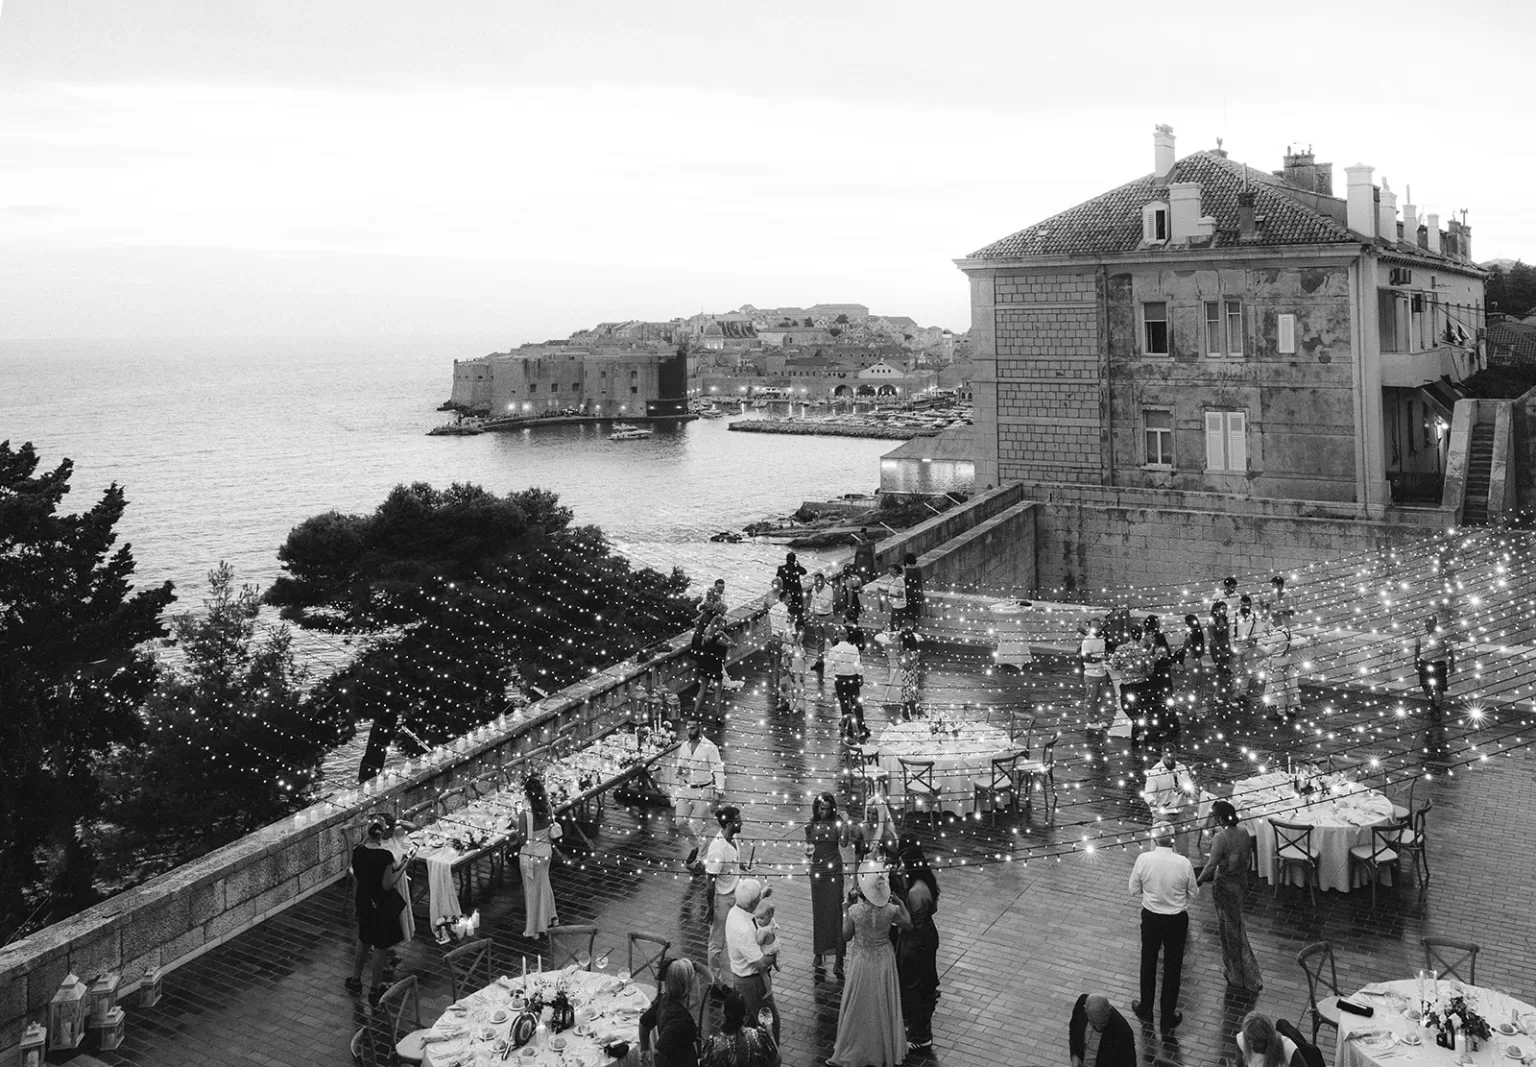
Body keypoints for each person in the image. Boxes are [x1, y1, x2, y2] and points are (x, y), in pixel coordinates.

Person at [828, 860, 911, 1067]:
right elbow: (908, 925)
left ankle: (853, 1045)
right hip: (884, 959)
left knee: (858, 1002)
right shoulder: (890, 910)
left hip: (862, 961)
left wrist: (846, 909)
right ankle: (883, 1048)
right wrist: (901, 903)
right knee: (883, 1001)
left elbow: (846, 936)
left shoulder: (856, 911)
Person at [1129, 823, 1197, 1032]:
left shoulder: (1144, 859)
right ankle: (1168, 1014)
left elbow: (1133, 889)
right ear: (1173, 839)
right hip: (1176, 919)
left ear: (1155, 839)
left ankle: (1146, 1008)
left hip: (1151, 916)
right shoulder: (1183, 863)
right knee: (1172, 967)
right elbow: (1194, 892)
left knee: (1148, 962)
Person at [348, 811, 417, 1000]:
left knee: (363, 939)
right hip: (381, 904)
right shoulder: (384, 857)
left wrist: (356, 903)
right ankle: (375, 988)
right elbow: (387, 884)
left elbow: (357, 880)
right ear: (381, 834)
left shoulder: (358, 852)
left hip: (363, 901)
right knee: (380, 945)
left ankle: (355, 979)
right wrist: (405, 864)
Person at [1197, 800, 1263, 992]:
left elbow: (1211, 865)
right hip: (1240, 884)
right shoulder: (1244, 832)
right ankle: (1239, 970)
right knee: (1236, 925)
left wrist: (1199, 880)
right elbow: (1248, 858)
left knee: (1229, 930)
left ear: (1219, 818)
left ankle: (1237, 974)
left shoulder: (1221, 838)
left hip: (1225, 887)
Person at [896, 835, 940, 1056]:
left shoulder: (914, 892)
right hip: (929, 938)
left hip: (917, 944)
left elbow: (911, 925)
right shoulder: (927, 884)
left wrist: (898, 907)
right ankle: (920, 1029)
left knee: (915, 987)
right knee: (924, 985)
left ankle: (920, 1036)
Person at [724, 878, 779, 1042]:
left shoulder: (735, 911)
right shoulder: (744, 929)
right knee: (770, 1025)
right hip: (752, 982)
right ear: (752, 902)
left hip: (741, 978)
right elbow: (761, 962)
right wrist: (774, 950)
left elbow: (752, 909)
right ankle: (770, 1057)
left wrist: (761, 895)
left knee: (748, 1023)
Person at [804, 792, 850, 978]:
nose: (823, 812)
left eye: (826, 809)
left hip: (833, 872)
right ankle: (819, 952)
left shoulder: (836, 823)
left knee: (836, 913)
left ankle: (839, 958)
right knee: (820, 913)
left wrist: (845, 824)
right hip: (818, 871)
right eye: (820, 809)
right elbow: (808, 848)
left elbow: (845, 843)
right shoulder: (810, 824)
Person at [672, 719, 724, 869]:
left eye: (693, 728)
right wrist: (680, 771)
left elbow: (718, 768)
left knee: (701, 827)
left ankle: (702, 860)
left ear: (700, 727)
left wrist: (718, 791)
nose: (689, 731)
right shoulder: (684, 746)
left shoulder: (710, 747)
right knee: (680, 822)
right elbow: (680, 766)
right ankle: (695, 846)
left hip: (704, 789)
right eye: (688, 728)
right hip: (686, 788)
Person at [704, 806, 747, 981]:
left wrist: (740, 866)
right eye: (738, 820)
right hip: (722, 900)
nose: (741, 822)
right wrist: (710, 907)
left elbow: (730, 863)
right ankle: (715, 981)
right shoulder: (717, 849)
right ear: (729, 824)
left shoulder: (732, 838)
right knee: (717, 943)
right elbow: (710, 880)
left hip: (735, 896)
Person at [519, 774, 561, 937]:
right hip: (546, 853)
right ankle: (552, 916)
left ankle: (535, 927)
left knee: (532, 891)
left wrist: (517, 824)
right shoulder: (548, 806)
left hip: (531, 855)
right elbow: (550, 826)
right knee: (544, 883)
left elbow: (522, 839)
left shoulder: (525, 814)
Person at [639, 958, 700, 1067]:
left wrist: (644, 1050)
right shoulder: (680, 1019)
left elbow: (644, 1023)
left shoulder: (665, 999)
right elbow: (659, 1052)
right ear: (688, 985)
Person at [699, 989, 780, 1067]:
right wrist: (770, 1032)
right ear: (745, 1014)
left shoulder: (714, 1044)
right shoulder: (758, 1037)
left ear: (724, 1014)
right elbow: (776, 1061)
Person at [1142, 744, 1196, 859]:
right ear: (1162, 755)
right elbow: (1147, 794)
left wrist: (1187, 791)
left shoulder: (1182, 768)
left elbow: (1191, 790)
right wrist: (1155, 803)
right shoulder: (1155, 772)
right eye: (1168, 758)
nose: (1171, 761)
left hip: (1180, 817)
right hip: (1162, 818)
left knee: (1184, 854)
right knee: (1157, 855)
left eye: (1173, 758)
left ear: (1176, 754)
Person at [824, 626, 867, 744]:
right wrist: (861, 675)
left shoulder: (833, 650)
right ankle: (861, 726)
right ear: (847, 636)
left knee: (844, 704)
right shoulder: (854, 649)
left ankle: (847, 729)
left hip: (840, 679)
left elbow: (828, 668)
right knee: (856, 703)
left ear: (837, 636)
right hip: (852, 678)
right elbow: (857, 665)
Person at [1069, 994, 1136, 1067]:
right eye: (1094, 1023)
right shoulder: (1081, 1005)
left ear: (1109, 1011)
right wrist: (1075, 1056)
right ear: (1085, 1010)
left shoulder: (1123, 1031)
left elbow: (1129, 1063)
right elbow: (1074, 1031)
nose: (1098, 1028)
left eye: (1103, 1023)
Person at [1260, 609, 1300, 722]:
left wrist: (1260, 644)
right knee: (1288, 687)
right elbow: (1265, 629)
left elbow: (1268, 651)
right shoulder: (1287, 630)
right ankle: (1290, 709)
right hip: (1286, 660)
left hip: (1276, 663)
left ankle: (1281, 712)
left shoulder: (1277, 634)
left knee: (1279, 689)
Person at [691, 616, 734, 718]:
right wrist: (725, 635)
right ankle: (718, 715)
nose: (724, 626)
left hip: (705, 665)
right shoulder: (719, 640)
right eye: (722, 624)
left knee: (702, 689)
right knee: (718, 692)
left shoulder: (706, 635)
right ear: (718, 625)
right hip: (716, 666)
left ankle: (695, 712)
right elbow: (732, 644)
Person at [1414, 614, 1455, 710]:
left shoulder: (1443, 634)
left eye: (1430, 622)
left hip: (1438, 664)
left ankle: (1437, 709)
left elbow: (1449, 649)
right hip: (1424, 663)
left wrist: (1452, 664)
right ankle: (1432, 704)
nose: (1427, 624)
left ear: (1435, 623)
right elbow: (1417, 648)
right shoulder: (1420, 633)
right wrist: (1416, 661)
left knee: (1438, 688)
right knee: (1426, 687)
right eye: (1426, 622)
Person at [1080, 619, 1112, 727]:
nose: (1098, 629)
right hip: (1091, 674)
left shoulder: (1102, 638)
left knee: (1100, 698)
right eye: (1095, 627)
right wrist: (1101, 658)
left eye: (1099, 627)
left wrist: (1106, 658)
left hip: (1102, 673)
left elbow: (1102, 653)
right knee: (1091, 698)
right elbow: (1086, 658)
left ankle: (1099, 718)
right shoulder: (1087, 641)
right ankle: (1090, 721)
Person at [1231, 596, 1263, 703]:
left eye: (1247, 605)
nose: (1245, 607)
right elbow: (1231, 633)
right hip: (1236, 644)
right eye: (1243, 605)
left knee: (1247, 670)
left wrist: (1254, 640)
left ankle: (1243, 693)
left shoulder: (1254, 615)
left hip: (1249, 645)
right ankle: (1235, 693)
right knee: (1236, 671)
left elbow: (1257, 630)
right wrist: (1232, 647)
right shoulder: (1234, 615)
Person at [1173, 614, 1205, 720]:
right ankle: (1198, 709)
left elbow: (1183, 649)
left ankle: (1190, 710)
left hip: (1189, 662)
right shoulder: (1200, 635)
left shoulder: (1189, 637)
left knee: (1190, 687)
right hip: (1198, 662)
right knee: (1198, 686)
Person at [806, 572, 837, 673]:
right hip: (817, 617)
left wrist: (819, 592)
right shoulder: (815, 589)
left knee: (833, 639)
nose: (816, 584)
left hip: (826, 617)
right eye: (815, 582)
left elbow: (826, 604)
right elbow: (813, 601)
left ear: (823, 580)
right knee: (819, 640)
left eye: (818, 581)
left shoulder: (828, 590)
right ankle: (820, 661)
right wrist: (811, 611)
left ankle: (840, 659)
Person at [1208, 600, 1234, 708]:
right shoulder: (1212, 621)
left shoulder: (1224, 619)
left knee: (1223, 673)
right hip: (1217, 650)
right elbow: (1213, 640)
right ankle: (1222, 695)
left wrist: (1229, 650)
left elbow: (1226, 636)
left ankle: (1219, 695)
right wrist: (1220, 652)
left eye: (1225, 609)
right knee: (1223, 672)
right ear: (1216, 609)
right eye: (1222, 608)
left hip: (1225, 648)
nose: (1224, 611)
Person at [775, 552, 807, 628]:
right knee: (799, 612)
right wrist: (798, 565)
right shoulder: (797, 568)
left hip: (787, 594)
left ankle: (788, 627)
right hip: (797, 594)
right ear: (794, 559)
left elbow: (778, 577)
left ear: (786, 559)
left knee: (787, 611)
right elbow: (804, 571)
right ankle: (800, 626)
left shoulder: (781, 568)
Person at [902, 552, 924, 623]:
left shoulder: (906, 571)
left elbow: (902, 582)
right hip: (918, 596)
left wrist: (903, 570)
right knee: (915, 618)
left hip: (908, 597)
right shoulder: (918, 569)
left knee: (906, 618)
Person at [886, 563, 907, 629]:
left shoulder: (899, 580)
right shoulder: (895, 579)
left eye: (890, 568)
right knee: (895, 625)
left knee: (894, 625)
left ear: (895, 570)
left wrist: (890, 595)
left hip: (899, 607)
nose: (888, 569)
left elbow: (901, 595)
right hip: (896, 606)